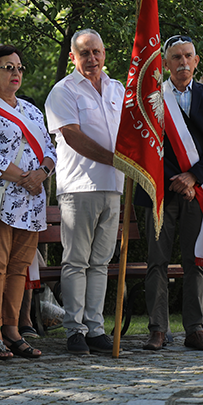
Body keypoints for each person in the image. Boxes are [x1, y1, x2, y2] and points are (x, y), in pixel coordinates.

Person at [0, 45, 56, 360]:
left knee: (19, 269)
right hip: (1, 202)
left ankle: (13, 331)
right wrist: (26, 178)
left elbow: (50, 149)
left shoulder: (32, 111)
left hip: (31, 202)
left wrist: (42, 173)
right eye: (8, 67)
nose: (16, 73)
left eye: (19, 67)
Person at [138, 35, 203, 351]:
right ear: (165, 62)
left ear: (196, 60)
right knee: (156, 263)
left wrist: (193, 178)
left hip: (197, 190)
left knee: (195, 261)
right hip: (158, 193)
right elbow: (145, 148)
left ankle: (195, 330)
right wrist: (174, 180)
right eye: (176, 57)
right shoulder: (150, 99)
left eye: (188, 56)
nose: (183, 63)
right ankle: (158, 330)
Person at [44, 29, 123, 355]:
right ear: (74, 57)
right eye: (85, 53)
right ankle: (74, 329)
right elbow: (73, 136)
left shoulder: (119, 89)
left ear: (105, 54)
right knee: (76, 261)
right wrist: (114, 159)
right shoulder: (63, 92)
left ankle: (95, 329)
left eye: (97, 52)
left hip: (114, 186)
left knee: (101, 263)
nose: (92, 59)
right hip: (80, 186)